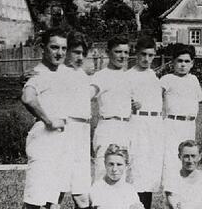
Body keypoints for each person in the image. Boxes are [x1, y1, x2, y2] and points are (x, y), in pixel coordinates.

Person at [22, 28, 70, 209]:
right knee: (35, 199)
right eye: (54, 47)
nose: (60, 53)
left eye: (63, 48)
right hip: (44, 138)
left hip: (61, 139)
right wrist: (49, 121)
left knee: (54, 198)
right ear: (43, 48)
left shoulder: (61, 72)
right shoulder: (38, 73)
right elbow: (27, 98)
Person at [126, 36, 165, 209]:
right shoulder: (128, 75)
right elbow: (118, 100)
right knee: (137, 167)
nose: (146, 59)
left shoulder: (153, 75)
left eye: (150, 55)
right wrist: (130, 104)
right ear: (136, 53)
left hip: (155, 124)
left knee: (151, 170)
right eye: (143, 55)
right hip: (138, 122)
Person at [160, 44, 202, 188]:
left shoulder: (193, 79)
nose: (182, 64)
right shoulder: (167, 79)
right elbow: (153, 95)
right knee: (171, 160)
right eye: (179, 61)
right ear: (173, 62)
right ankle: (171, 193)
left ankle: (186, 191)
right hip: (172, 124)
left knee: (189, 159)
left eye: (187, 61)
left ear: (192, 63)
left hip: (189, 124)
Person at [58, 31, 93, 209]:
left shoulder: (82, 75)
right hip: (66, 131)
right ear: (66, 51)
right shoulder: (58, 73)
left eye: (82, 53)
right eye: (76, 52)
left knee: (82, 193)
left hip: (82, 133)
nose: (80, 57)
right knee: (58, 187)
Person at [91, 35, 134, 180]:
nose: (123, 56)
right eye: (118, 52)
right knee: (103, 171)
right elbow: (88, 94)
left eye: (126, 52)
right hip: (108, 126)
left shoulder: (128, 77)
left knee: (122, 173)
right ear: (108, 52)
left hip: (126, 127)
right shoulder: (100, 76)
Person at [165, 140, 202, 209]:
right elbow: (173, 205)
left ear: (199, 157)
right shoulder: (172, 179)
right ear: (179, 157)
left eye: (193, 156)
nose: (190, 160)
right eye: (186, 156)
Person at [89, 144, 143, 209]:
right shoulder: (97, 188)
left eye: (119, 164)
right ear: (105, 164)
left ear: (126, 166)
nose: (114, 169)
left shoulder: (130, 190)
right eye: (111, 164)